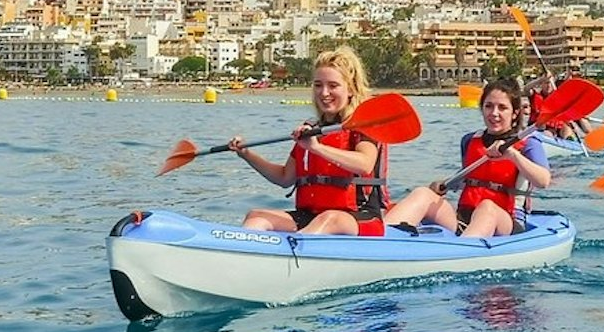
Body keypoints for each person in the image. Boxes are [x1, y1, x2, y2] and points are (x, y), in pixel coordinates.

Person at [227, 46, 388, 235]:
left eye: (333, 86)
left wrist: (317, 148)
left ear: (351, 89)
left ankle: (296, 254)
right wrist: (246, 154)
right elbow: (285, 178)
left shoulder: (364, 126)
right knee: (257, 216)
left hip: (360, 217)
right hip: (311, 215)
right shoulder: (311, 129)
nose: (324, 92)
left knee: (329, 219)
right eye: (318, 85)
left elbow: (364, 165)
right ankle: (244, 255)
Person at [384, 77, 551, 239]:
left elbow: (543, 181)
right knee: (423, 194)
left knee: (487, 208)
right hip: (464, 218)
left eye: (502, 107)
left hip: (506, 221)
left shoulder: (529, 144)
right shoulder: (469, 140)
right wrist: (444, 184)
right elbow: (469, 178)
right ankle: (380, 240)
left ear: (515, 113)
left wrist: (513, 155)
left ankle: (463, 252)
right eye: (488, 106)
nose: (494, 113)